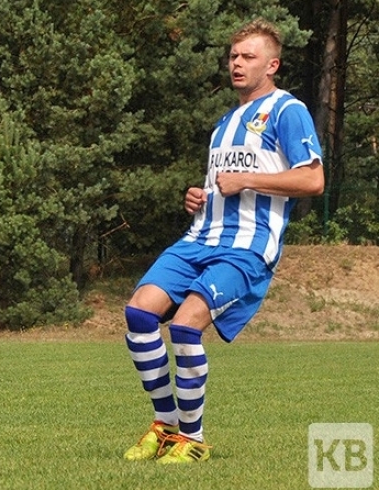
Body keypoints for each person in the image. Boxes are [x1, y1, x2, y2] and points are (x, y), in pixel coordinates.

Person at [122, 18, 324, 464]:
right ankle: (164, 426)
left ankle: (192, 440)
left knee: (185, 325)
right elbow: (224, 185)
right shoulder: (224, 123)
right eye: (233, 56)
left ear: (272, 65)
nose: (236, 63)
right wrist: (199, 196)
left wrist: (247, 180)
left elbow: (313, 179)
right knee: (138, 313)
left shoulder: (288, 111)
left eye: (247, 57)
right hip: (199, 237)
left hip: (246, 248)